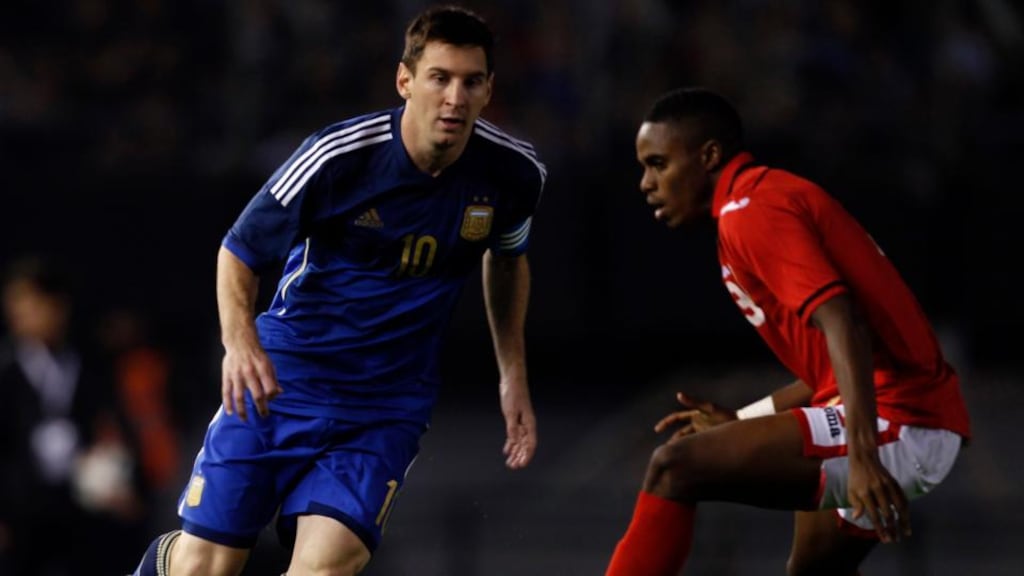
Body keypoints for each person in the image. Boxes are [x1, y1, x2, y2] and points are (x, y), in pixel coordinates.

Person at [130, 5, 544, 576]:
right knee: (207, 567)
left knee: (326, 568)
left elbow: (506, 259)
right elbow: (239, 250)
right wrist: (241, 344)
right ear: (405, 80)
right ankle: (164, 560)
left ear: (489, 89)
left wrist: (512, 373)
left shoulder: (515, 174)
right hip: (282, 381)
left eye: (471, 81)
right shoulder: (338, 157)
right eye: (439, 78)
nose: (455, 97)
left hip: (383, 405)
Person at [604, 87, 970, 576]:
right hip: (888, 413)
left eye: (657, 164)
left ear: (709, 156)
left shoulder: (751, 211)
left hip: (895, 419)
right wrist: (744, 418)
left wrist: (862, 457)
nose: (645, 183)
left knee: (675, 466)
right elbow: (832, 365)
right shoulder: (760, 198)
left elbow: (845, 324)